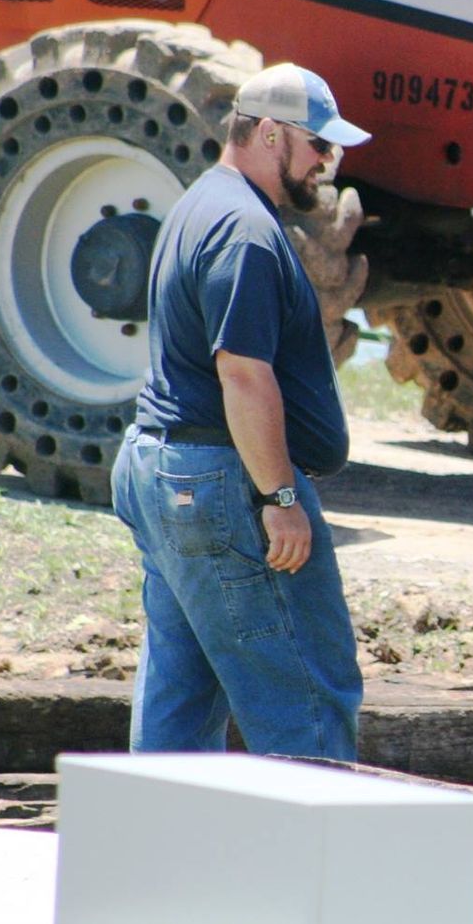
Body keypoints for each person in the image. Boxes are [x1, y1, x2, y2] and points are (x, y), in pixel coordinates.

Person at [110, 63, 372, 759]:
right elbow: (243, 374)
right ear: (268, 133)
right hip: (222, 484)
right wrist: (279, 497)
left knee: (184, 693)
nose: (326, 163)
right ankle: (314, 863)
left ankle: (152, 856)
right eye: (319, 146)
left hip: (165, 470)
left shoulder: (202, 204)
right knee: (308, 693)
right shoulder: (244, 232)